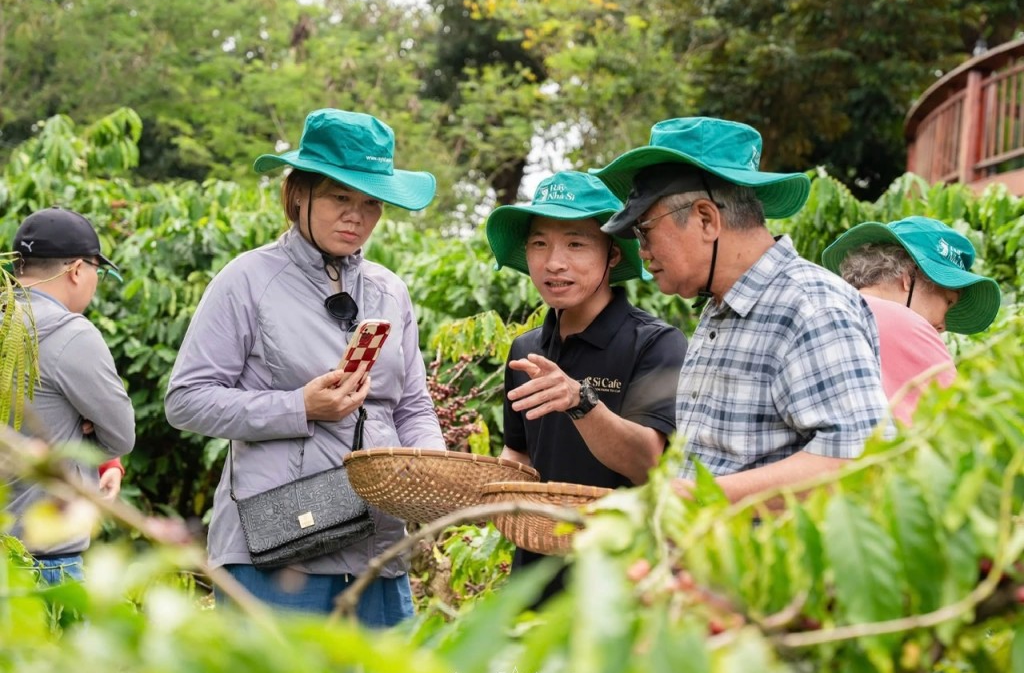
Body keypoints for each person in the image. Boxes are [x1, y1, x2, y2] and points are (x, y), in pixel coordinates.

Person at [164, 108, 444, 625]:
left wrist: (432, 465)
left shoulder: (389, 290)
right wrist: (299, 407)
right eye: (340, 197)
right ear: (298, 196)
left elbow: (411, 404)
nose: (356, 216)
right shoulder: (247, 280)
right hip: (277, 548)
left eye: (370, 203)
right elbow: (187, 399)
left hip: (377, 553)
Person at [593, 116, 890, 502]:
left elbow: (860, 461)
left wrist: (700, 496)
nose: (642, 252)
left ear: (705, 219)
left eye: (644, 231)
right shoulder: (719, 308)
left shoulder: (809, 306)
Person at [486, 170, 687, 596]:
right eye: (539, 243)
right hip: (534, 577)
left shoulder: (655, 345)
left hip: (621, 583)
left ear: (612, 254)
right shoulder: (525, 350)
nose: (554, 262)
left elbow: (649, 463)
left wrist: (580, 400)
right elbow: (519, 454)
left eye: (576, 243)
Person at [5, 207, 135, 585]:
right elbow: (121, 436)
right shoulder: (73, 335)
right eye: (98, 271)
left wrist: (104, 460)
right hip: (45, 562)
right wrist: (87, 429)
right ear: (78, 270)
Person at [820, 216, 1001, 424]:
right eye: (948, 301)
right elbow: (957, 427)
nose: (943, 325)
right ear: (908, 278)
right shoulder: (904, 325)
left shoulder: (823, 306)